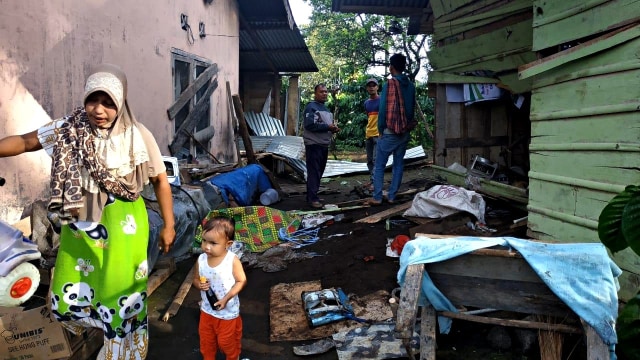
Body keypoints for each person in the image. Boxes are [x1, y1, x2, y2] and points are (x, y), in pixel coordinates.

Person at [0, 64, 176, 359]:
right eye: (93, 100)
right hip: (81, 224)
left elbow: (161, 181)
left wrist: (169, 226)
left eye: (108, 102)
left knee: (121, 294)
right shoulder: (68, 129)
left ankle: (121, 350)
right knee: (69, 294)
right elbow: (25, 142)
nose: (99, 110)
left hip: (124, 226)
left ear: (120, 102)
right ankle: (104, 330)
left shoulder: (137, 135)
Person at [193, 216, 247, 360]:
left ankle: (233, 357)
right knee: (206, 342)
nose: (206, 246)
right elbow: (195, 279)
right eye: (204, 240)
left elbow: (241, 281)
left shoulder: (231, 260)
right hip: (207, 311)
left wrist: (226, 298)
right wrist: (199, 284)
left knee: (226, 342)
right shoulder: (201, 259)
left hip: (227, 313)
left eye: (213, 243)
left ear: (227, 243)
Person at [367, 53, 416, 205]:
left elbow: (383, 109)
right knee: (398, 164)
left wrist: (381, 129)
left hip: (390, 132)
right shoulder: (411, 86)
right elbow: (411, 108)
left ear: (392, 67)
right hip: (405, 131)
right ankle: (392, 196)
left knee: (380, 165)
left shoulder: (390, 84)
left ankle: (376, 197)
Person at [302, 84, 340, 208]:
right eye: (321, 92)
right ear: (315, 93)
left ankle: (312, 195)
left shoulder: (326, 109)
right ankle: (313, 199)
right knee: (314, 171)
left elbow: (325, 126)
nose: (324, 93)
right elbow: (309, 125)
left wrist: (333, 129)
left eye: (325, 92)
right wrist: (327, 127)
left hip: (323, 144)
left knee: (319, 171)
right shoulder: (311, 107)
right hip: (313, 144)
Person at [363, 78, 380, 191]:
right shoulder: (366, 103)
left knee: (376, 159)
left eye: (374, 85)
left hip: (379, 134)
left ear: (377, 87)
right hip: (369, 133)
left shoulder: (382, 100)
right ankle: (372, 179)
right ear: (367, 88)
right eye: (369, 86)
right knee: (369, 160)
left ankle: (375, 182)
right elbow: (369, 117)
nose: (372, 87)